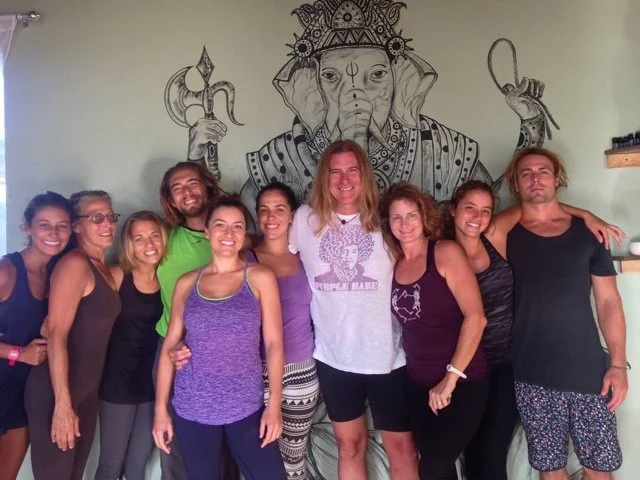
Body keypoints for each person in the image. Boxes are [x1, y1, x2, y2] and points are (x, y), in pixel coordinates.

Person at [446, 180, 624, 480]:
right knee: (464, 454)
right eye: (469, 208)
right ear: (453, 210)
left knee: (494, 454)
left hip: (509, 365)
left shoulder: (496, 237)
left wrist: (585, 215)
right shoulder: (441, 251)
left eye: (485, 210)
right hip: (469, 367)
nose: (477, 217)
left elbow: (538, 203)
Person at [288, 140, 418, 480]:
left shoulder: (387, 219)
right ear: (324, 178)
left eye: (352, 171)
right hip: (335, 357)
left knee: (403, 448)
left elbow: (427, 256)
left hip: (387, 355)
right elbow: (274, 258)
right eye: (335, 172)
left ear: (365, 175)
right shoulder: (305, 219)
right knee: (349, 446)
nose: (344, 180)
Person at [172, 182, 319, 479]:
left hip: (300, 371)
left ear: (293, 215)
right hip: (252, 377)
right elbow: (199, 327)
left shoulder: (308, 256)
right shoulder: (246, 259)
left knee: (293, 459)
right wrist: (181, 349)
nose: (271, 217)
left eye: (279, 209)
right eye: (263, 210)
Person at [504, 147, 627, 479]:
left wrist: (618, 365)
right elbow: (479, 231)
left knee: (599, 470)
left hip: (589, 372)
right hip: (532, 373)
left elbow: (609, 302)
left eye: (543, 171)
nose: (535, 178)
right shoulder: (506, 235)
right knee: (550, 470)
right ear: (516, 184)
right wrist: (583, 211)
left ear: (557, 178)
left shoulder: (590, 233)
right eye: (526, 173)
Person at [153, 197, 287, 480]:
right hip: (193, 405)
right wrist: (160, 410)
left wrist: (274, 405)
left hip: (246, 405)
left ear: (244, 233)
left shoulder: (259, 277)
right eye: (220, 225)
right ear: (207, 231)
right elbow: (170, 345)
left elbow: (274, 344)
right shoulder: (187, 282)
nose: (228, 233)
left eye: (237, 226)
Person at [381, 182, 488, 480]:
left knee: (432, 468)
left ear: (424, 216)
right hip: (418, 385)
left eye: (411, 215)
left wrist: (450, 379)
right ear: (388, 223)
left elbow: (476, 318)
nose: (405, 224)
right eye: (397, 217)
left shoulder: (444, 253)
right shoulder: (394, 263)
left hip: (463, 382)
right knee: (438, 469)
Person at [25, 190, 121, 480]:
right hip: (56, 392)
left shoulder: (103, 269)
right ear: (77, 226)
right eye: (96, 218)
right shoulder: (75, 265)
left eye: (110, 216)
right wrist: (62, 405)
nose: (107, 224)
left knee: (74, 475)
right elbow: (57, 335)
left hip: (86, 390)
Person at [155, 160, 223, 479]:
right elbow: (125, 267)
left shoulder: (231, 236)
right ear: (170, 199)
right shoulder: (163, 239)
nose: (187, 192)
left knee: (224, 440)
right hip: (172, 350)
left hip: (223, 352)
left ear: (207, 185)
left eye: (192, 183)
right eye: (177, 188)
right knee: (174, 441)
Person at [0, 192, 73, 480]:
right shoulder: (6, 271)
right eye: (44, 225)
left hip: (19, 395)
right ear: (27, 228)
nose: (54, 234)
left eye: (62, 226)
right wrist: (19, 353)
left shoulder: (57, 272)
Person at [95, 211, 167, 480]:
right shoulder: (116, 275)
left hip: (151, 382)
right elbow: (85, 314)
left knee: (138, 463)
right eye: (139, 239)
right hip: (117, 381)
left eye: (154, 236)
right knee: (111, 464)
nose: (149, 244)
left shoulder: (168, 277)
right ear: (128, 244)